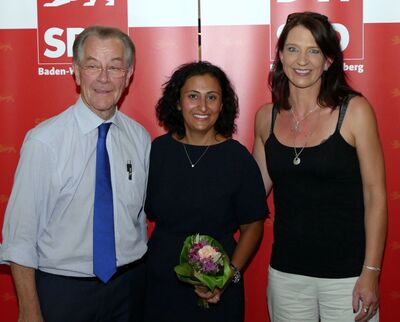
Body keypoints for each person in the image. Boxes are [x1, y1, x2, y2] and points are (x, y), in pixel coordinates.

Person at [0, 25, 150, 322]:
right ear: (76, 72)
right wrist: (29, 310)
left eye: (115, 67)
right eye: (93, 65)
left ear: (129, 73)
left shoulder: (140, 138)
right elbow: (21, 236)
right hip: (63, 293)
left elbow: (139, 219)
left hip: (130, 289)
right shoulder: (44, 141)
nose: (104, 78)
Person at [253, 12, 387, 322]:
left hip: (348, 278)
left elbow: (375, 196)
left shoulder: (354, 111)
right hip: (286, 276)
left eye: (314, 50)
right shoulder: (265, 117)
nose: (303, 60)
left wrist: (370, 272)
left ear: (328, 60)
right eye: (293, 49)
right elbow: (253, 193)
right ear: (281, 56)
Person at [144, 61, 268, 322]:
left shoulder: (237, 158)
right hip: (160, 286)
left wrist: (228, 276)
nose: (202, 107)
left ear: (222, 105)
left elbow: (253, 226)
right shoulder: (157, 152)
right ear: (177, 102)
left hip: (217, 288)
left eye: (212, 97)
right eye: (193, 97)